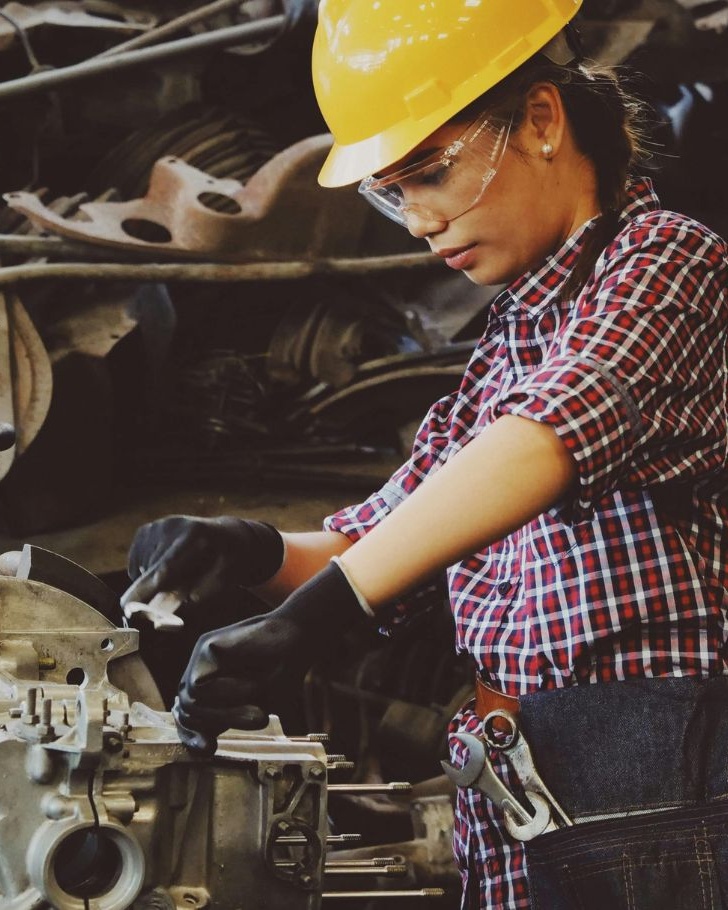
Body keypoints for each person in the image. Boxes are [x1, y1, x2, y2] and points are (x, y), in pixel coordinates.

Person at [125, 1, 728, 907]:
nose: (415, 220)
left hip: (656, 799)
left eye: (432, 172)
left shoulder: (670, 262)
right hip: (530, 796)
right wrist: (248, 549)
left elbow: (549, 436)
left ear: (541, 120)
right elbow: (387, 542)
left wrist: (319, 613)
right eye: (391, 193)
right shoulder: (505, 347)